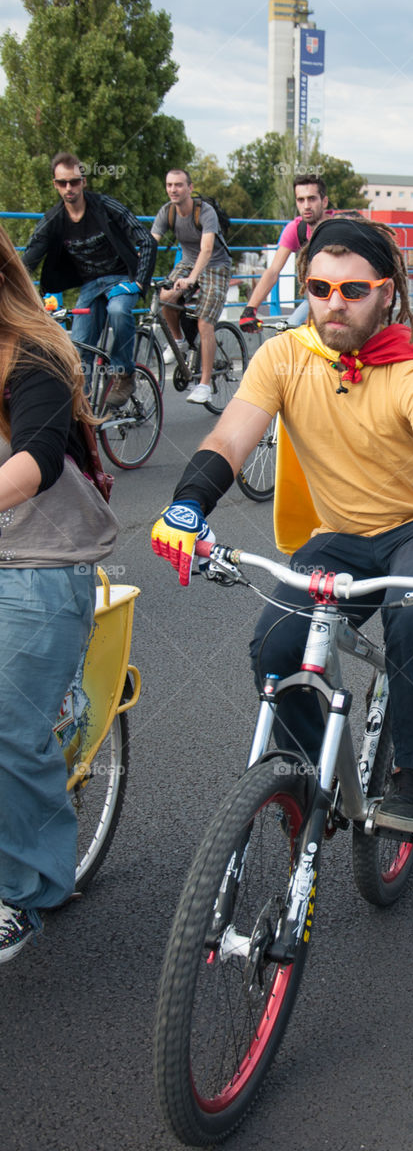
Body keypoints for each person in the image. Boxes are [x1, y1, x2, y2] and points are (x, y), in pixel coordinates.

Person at [151, 217, 413, 832]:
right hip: (341, 534)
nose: (332, 305)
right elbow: (231, 438)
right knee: (275, 646)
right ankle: (308, 774)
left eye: (353, 291)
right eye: (318, 288)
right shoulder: (285, 356)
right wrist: (188, 506)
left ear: (386, 291)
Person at [0, 224, 118, 962]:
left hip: (38, 555)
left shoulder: (33, 351)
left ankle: (29, 889)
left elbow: (37, 459)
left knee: (8, 726)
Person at [22, 152, 156, 407]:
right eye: (62, 183)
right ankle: (83, 407)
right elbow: (29, 259)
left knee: (118, 311)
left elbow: (146, 239)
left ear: (83, 181)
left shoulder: (105, 206)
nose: (69, 188)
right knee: (78, 349)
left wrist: (139, 282)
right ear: (55, 185)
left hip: (121, 279)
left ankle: (123, 374)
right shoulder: (53, 219)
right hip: (91, 286)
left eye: (74, 181)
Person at [151, 169, 232, 405]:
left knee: (205, 322)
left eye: (178, 185)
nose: (173, 189)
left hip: (216, 266)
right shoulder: (166, 212)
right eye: (169, 185)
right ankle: (179, 340)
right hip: (188, 262)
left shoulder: (204, 212)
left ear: (189, 187)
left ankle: (204, 384)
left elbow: (207, 249)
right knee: (165, 296)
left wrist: (192, 279)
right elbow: (151, 243)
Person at [238, 175, 332, 333]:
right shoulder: (296, 229)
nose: (306, 205)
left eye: (312, 199)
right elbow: (273, 271)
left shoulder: (340, 227)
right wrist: (250, 309)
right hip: (315, 297)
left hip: (344, 300)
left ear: (324, 202)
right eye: (300, 200)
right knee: (286, 334)